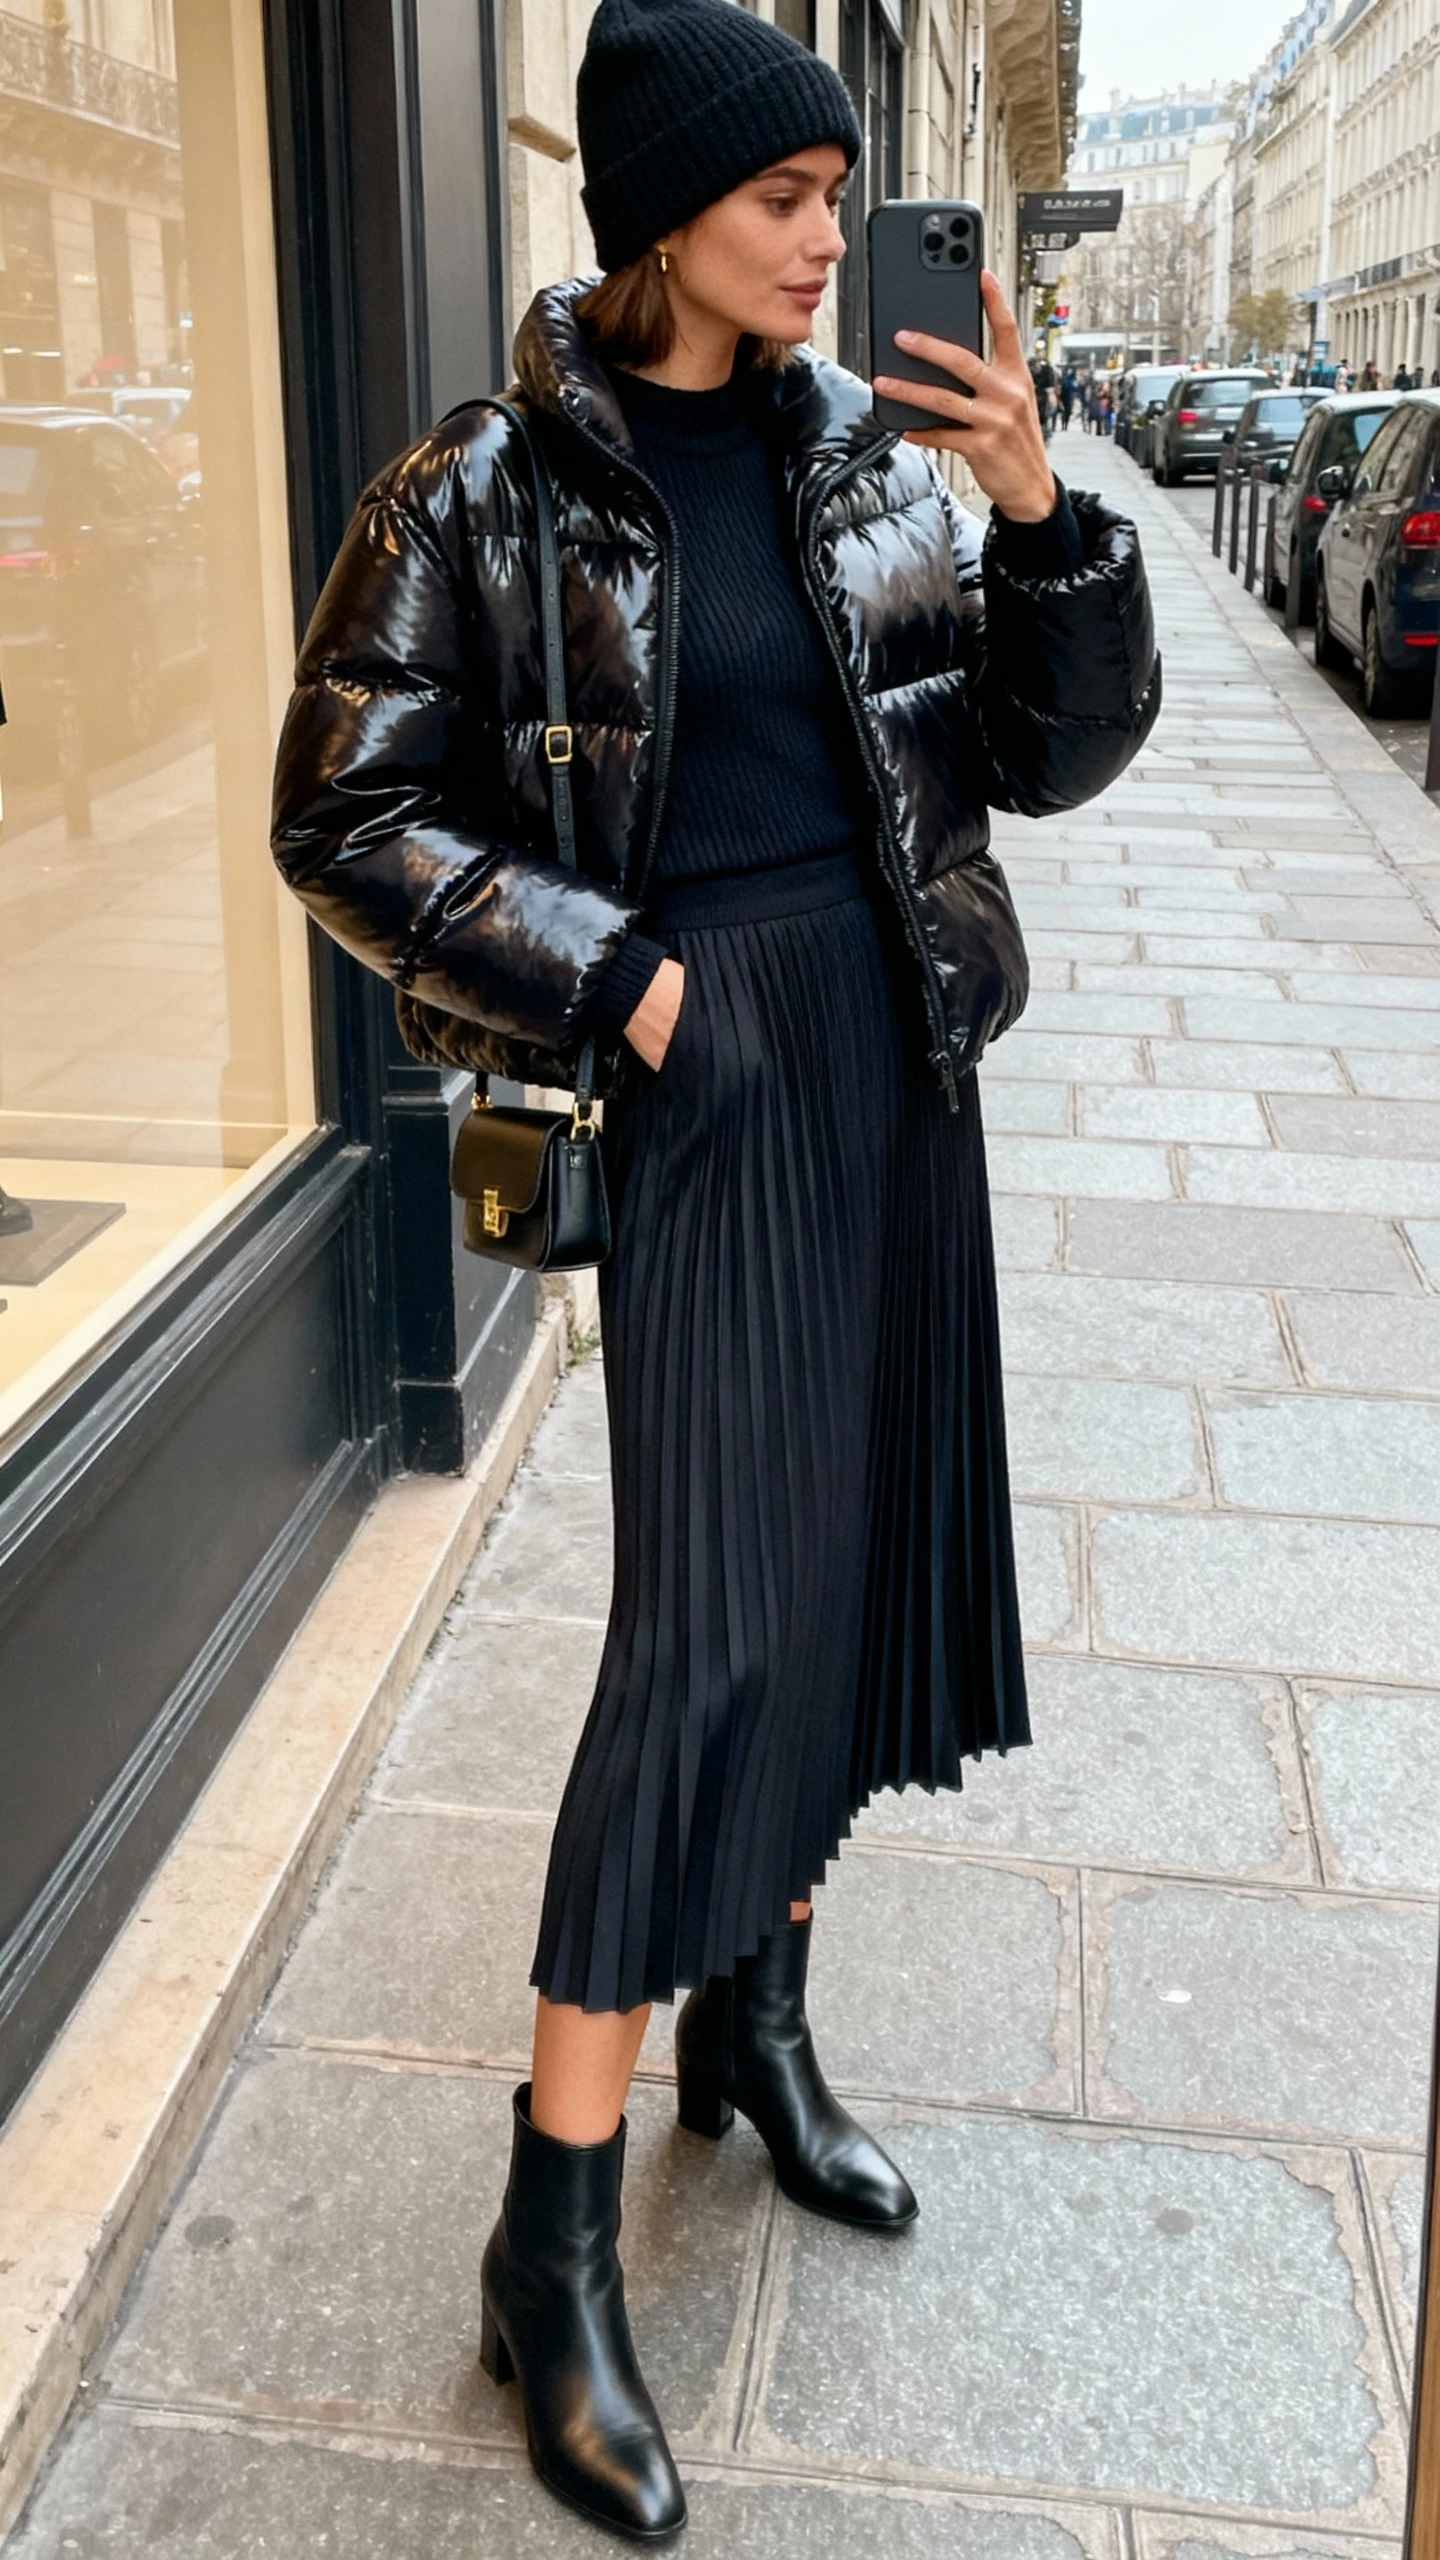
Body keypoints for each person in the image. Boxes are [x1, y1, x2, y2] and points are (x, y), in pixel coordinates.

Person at [270, 0, 1160, 2538]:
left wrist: (1041, 520)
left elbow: (1042, 750)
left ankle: (753, 2027)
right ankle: (546, 2242)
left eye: (834, 192)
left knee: (853, 1567)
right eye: (783, 195)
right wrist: (616, 975)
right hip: (703, 1082)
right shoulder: (483, 484)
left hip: (893, 1070)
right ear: (660, 207)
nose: (822, 234)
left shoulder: (874, 462)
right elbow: (340, 800)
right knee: (706, 1636)